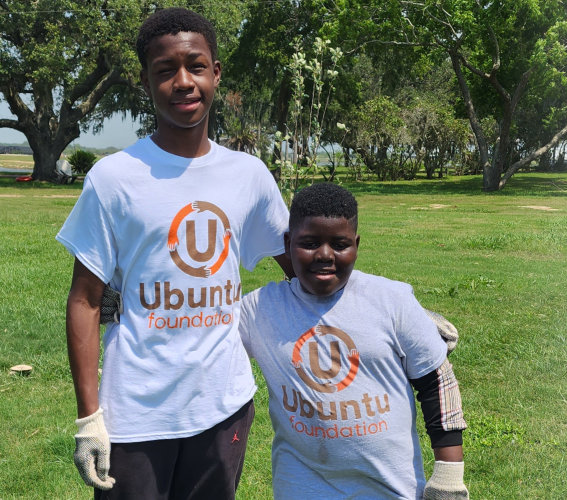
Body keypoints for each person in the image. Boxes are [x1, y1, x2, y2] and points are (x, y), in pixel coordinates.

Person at [55, 7, 295, 499]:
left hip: (223, 405)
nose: (183, 82)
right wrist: (89, 418)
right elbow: (84, 299)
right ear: (146, 81)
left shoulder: (248, 176)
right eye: (166, 70)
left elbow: (306, 272)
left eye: (196, 66)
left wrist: (395, 311)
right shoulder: (113, 178)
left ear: (216, 73)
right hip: (135, 414)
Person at [237, 182, 470, 499]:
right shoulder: (260, 310)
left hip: (389, 488)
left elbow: (437, 383)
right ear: (288, 243)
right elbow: (205, 337)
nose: (324, 255)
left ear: (356, 244)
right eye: (309, 243)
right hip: (301, 486)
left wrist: (449, 478)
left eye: (340, 244)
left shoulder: (391, 302)